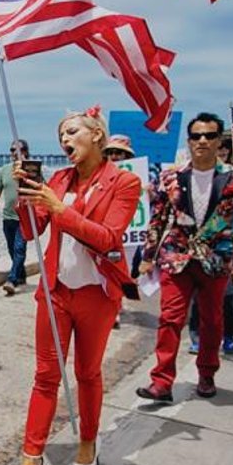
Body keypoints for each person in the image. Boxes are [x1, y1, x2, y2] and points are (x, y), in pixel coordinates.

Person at [7, 107, 141, 465]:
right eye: (61, 135)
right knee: (46, 376)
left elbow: (107, 237)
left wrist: (61, 208)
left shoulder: (125, 182)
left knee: (87, 371)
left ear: (97, 134)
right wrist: (26, 198)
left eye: (72, 132)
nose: (65, 140)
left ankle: (88, 440)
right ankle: (32, 455)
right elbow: (32, 231)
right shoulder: (59, 178)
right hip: (56, 292)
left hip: (96, 294)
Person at [136, 113, 233, 404]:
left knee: (212, 321)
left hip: (215, 259)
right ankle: (161, 382)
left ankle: (206, 374)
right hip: (176, 256)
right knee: (169, 318)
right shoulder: (170, 178)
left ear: (219, 141)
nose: (202, 141)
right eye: (196, 136)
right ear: (189, 141)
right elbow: (158, 220)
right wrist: (147, 256)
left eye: (209, 135)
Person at [188, 135, 233, 354]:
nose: (219, 153)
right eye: (216, 148)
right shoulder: (191, 176)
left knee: (228, 295)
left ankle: (228, 332)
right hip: (196, 247)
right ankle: (197, 336)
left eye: (223, 149)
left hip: (228, 246)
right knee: (197, 297)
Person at [0, 139, 29, 296]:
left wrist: (26, 172)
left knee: (19, 248)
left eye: (18, 150)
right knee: (12, 249)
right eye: (11, 150)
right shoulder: (4, 170)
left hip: (25, 218)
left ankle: (12, 280)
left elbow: (42, 187)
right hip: (8, 217)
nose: (14, 153)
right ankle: (21, 275)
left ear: (25, 151)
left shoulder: (31, 168)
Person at [102, 134, 137, 328]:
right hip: (107, 231)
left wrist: (149, 191)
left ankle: (118, 302)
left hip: (131, 231)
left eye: (119, 153)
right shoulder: (99, 174)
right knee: (109, 268)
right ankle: (113, 306)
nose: (115, 156)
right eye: (111, 152)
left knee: (124, 270)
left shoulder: (140, 174)